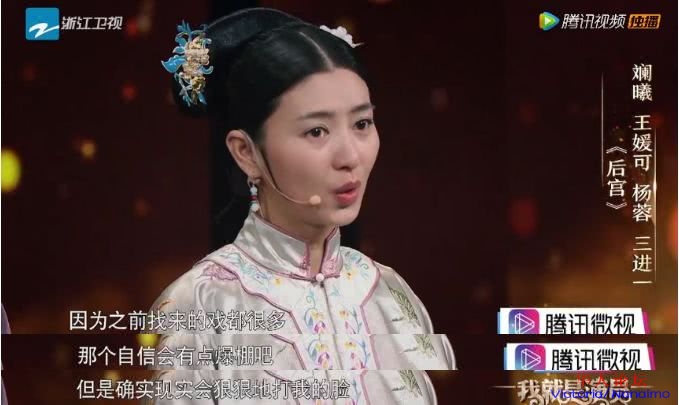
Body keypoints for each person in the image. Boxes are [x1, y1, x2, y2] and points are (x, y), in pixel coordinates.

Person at [149, 7, 456, 404]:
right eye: (316, 131)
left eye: (362, 124)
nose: (350, 156)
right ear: (246, 152)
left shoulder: (385, 289)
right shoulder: (203, 301)